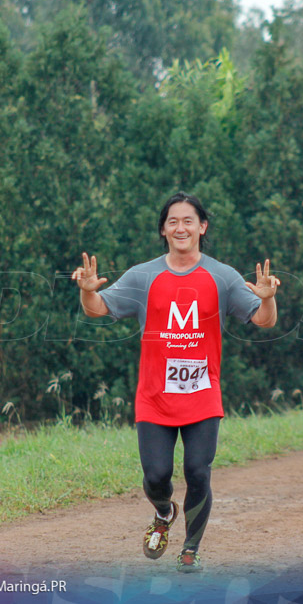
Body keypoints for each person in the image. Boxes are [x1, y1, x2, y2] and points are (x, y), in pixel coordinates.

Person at [72, 192, 279, 573]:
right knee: (155, 477)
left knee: (198, 470)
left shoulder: (222, 275)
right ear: (163, 230)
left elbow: (264, 320)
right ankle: (165, 512)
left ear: (202, 227)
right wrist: (87, 291)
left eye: (188, 221)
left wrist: (267, 299)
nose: (180, 227)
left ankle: (191, 548)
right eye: (172, 221)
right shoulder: (143, 275)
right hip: (154, 397)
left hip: (202, 394)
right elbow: (99, 307)